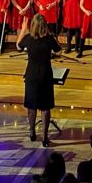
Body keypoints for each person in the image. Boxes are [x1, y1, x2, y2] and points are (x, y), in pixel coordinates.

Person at [19, 14, 61, 147]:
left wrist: (23, 29)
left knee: (32, 107)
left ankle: (32, 131)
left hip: (31, 76)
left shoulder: (28, 39)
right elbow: (59, 51)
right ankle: (45, 137)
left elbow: (18, 46)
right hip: (45, 76)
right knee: (45, 107)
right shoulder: (49, 40)